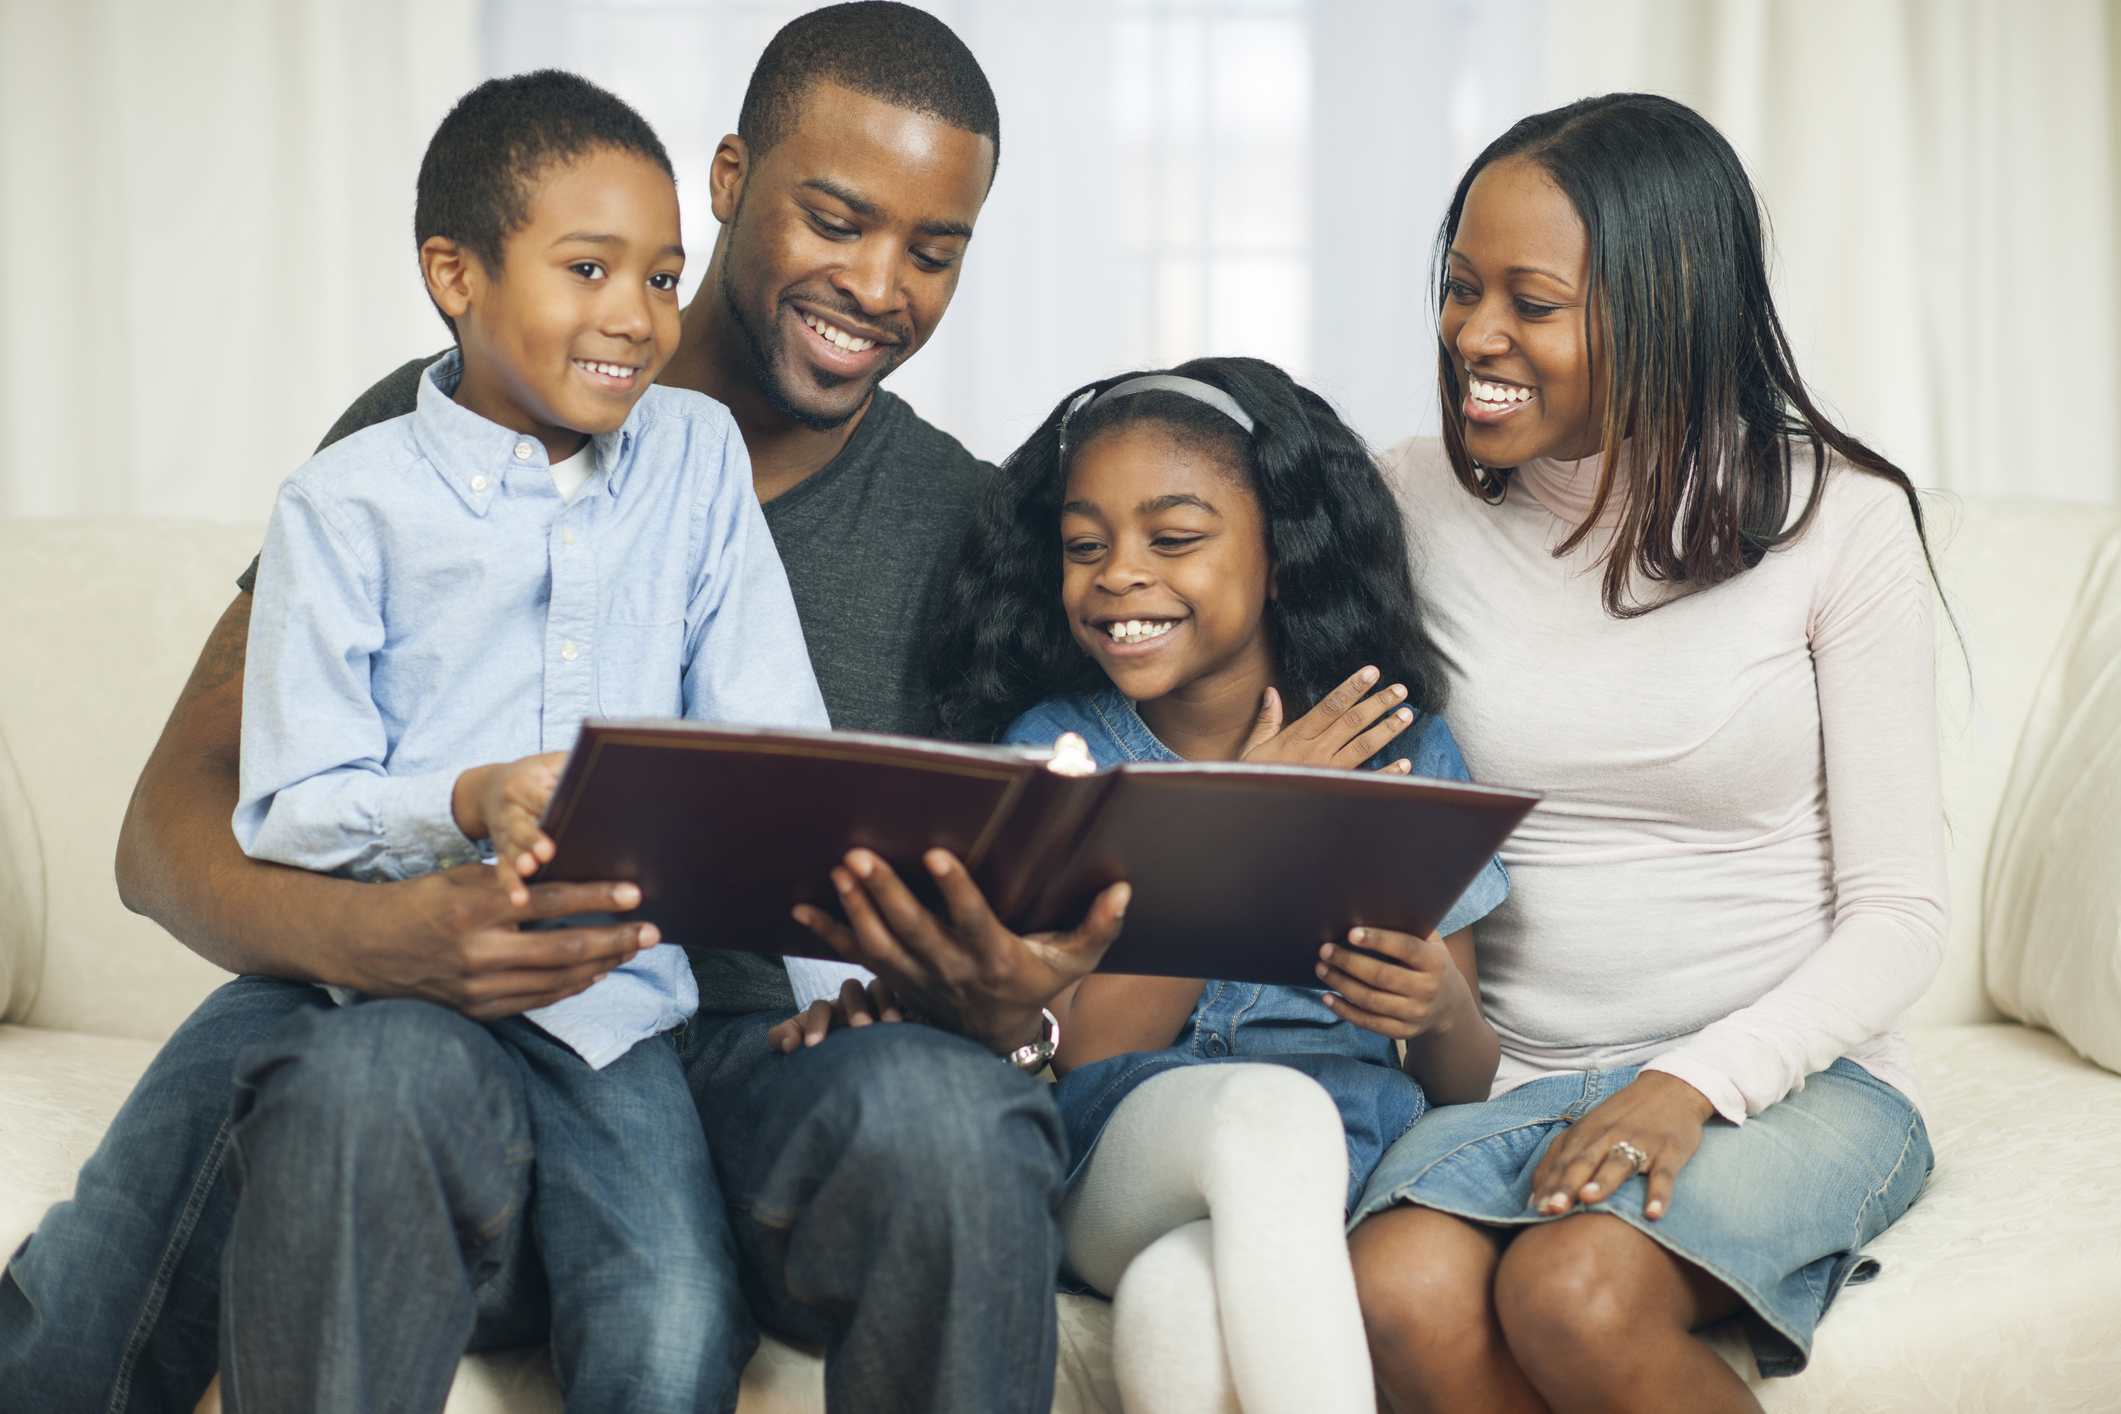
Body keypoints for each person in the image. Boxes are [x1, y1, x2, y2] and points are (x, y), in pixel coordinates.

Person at [0, 7, 1119, 1413]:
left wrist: (1005, 1016)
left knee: (956, 1119)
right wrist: (398, 938)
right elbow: (177, 825)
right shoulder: (407, 455)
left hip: (772, 1083)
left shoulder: (966, 524)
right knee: (343, 1068)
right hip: (459, 1048)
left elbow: (1019, 859)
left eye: (934, 250)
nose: (878, 283)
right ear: (728, 178)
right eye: (834, 219)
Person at [230, 70, 834, 1413]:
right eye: (588, 268)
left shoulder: (697, 458)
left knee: (677, 1324)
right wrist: (467, 795)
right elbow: (285, 804)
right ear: (455, 274)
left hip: (616, 1011)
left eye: (666, 277)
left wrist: (839, 992)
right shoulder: (343, 505)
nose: (637, 315)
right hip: (408, 1000)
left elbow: (775, 743)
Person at [1344, 94, 1943, 1414]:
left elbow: (1900, 914)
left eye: (1530, 302)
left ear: (1662, 310)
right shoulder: (1399, 504)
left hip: (1795, 1078)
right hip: (1513, 1076)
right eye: (1457, 288)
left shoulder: (1839, 522)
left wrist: (1691, 1080)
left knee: (1575, 1286)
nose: (1472, 337)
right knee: (1396, 1290)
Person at [928, 355, 1515, 1414]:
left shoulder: (1396, 747)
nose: (1117, 574)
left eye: (1175, 538)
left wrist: (1441, 1006)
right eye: (1083, 546)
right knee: (1267, 1112)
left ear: (1281, 556)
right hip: (1120, 1150)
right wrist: (1240, 820)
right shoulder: (1055, 755)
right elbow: (1096, 1047)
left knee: (1176, 1305)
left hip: (1347, 1160)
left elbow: (1462, 1079)